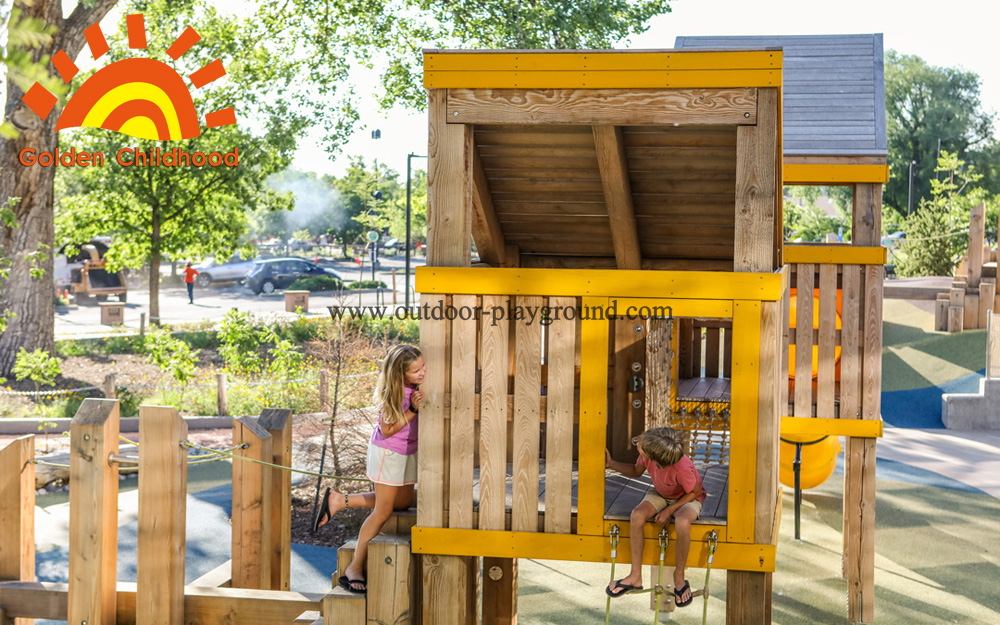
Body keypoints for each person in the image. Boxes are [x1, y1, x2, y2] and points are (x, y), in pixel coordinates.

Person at [312, 343, 425, 595]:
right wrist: (413, 411)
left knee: (403, 503)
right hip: (388, 453)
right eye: (416, 371)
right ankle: (354, 567)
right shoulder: (396, 394)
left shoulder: (414, 386)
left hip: (407, 452)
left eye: (423, 367)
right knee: (383, 511)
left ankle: (340, 500)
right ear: (401, 374)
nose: (422, 373)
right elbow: (387, 429)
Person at [605, 427, 705, 607]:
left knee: (682, 522)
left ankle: (679, 576)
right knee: (637, 515)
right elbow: (636, 471)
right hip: (661, 494)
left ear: (654, 457)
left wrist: (670, 510)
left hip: (687, 498)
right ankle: (635, 576)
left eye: (640, 445)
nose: (638, 444)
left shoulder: (683, 468)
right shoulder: (647, 457)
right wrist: (611, 464)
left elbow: (695, 492)